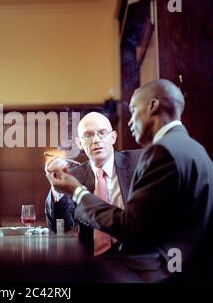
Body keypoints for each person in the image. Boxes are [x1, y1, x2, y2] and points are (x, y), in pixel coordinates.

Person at [47, 79, 213, 281]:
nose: (129, 120)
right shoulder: (194, 148)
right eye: (89, 135)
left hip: (159, 270)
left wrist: (78, 192)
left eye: (133, 110)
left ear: (152, 106)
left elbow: (131, 227)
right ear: (80, 143)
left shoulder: (160, 153)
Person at [44, 112, 143, 255]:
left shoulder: (138, 161)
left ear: (113, 137)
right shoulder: (73, 175)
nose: (96, 140)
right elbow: (61, 226)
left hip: (134, 258)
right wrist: (56, 188)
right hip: (92, 264)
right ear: (79, 144)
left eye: (102, 133)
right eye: (88, 135)